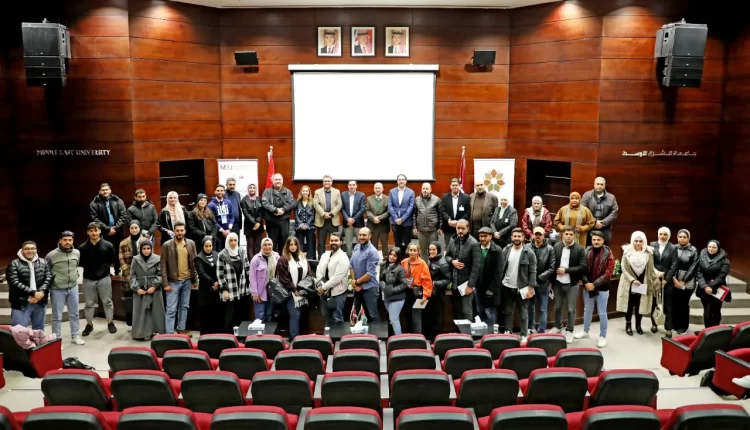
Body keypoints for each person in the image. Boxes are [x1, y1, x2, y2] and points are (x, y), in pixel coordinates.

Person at [616, 231, 663, 336]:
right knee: (629, 304)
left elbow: (651, 267)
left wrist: (658, 273)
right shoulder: (627, 251)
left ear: (644, 241)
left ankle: (638, 325)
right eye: (636, 241)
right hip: (629, 282)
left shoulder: (648, 253)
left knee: (639, 304)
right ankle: (628, 325)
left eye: (640, 241)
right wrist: (632, 280)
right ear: (632, 241)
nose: (638, 243)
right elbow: (623, 267)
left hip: (642, 282)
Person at [574, 230, 615, 348]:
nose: (596, 242)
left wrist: (594, 284)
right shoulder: (586, 251)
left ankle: (602, 336)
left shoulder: (608, 254)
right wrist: (587, 282)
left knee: (602, 313)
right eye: (594, 240)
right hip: (588, 286)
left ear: (603, 241)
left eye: (598, 240)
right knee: (587, 310)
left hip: (602, 288)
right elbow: (583, 269)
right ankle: (585, 331)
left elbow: (608, 273)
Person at [45, 231, 85, 344]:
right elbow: (46, 271)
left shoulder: (77, 253)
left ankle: (75, 336)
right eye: (65, 240)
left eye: (70, 240)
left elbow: (76, 266)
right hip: (57, 289)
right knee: (57, 316)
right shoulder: (51, 255)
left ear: (73, 241)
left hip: (73, 287)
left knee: (74, 314)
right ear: (60, 241)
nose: (67, 242)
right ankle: (56, 340)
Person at [499, 228, 537, 343]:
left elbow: (533, 271)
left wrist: (531, 288)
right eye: (514, 236)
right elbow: (501, 267)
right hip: (507, 285)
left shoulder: (529, 252)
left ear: (523, 238)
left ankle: (524, 334)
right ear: (511, 237)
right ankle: (508, 331)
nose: (516, 238)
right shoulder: (506, 250)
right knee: (507, 311)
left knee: (523, 313)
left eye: (519, 236)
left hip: (522, 287)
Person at [79, 222, 117, 336]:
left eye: (96, 230)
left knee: (107, 302)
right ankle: (89, 324)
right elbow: (81, 262)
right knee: (89, 304)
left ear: (100, 231)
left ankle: (110, 322)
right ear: (87, 232)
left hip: (104, 277)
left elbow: (112, 259)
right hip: (88, 278)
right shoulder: (82, 247)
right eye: (91, 231)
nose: (94, 233)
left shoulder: (108, 245)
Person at [160, 221, 197, 336]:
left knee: (184, 307)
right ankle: (169, 334)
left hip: (187, 281)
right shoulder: (167, 245)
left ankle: (181, 330)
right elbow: (163, 266)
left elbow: (194, 263)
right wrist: (165, 283)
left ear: (185, 231)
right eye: (177, 230)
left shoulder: (191, 243)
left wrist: (194, 279)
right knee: (171, 309)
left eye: (182, 230)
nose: (180, 232)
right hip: (172, 282)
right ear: (174, 231)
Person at [552, 226, 586, 343]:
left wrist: (566, 270)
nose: (568, 236)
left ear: (574, 236)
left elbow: (583, 267)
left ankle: (570, 330)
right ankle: (558, 326)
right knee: (557, 307)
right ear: (562, 234)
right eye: (566, 234)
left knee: (571, 309)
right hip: (558, 283)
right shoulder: (556, 246)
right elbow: (552, 264)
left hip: (572, 284)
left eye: (571, 234)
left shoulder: (580, 249)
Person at [8, 241, 51, 330]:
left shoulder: (44, 262)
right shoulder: (14, 264)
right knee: (19, 331)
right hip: (21, 303)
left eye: (32, 248)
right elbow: (14, 283)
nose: (30, 251)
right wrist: (33, 293)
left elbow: (48, 278)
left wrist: (40, 293)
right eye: (27, 249)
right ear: (22, 250)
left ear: (36, 250)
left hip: (39, 302)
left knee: (39, 331)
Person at [445, 219, 481, 320]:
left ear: (468, 228)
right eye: (458, 228)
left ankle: (468, 330)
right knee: (457, 310)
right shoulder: (452, 239)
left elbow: (476, 267)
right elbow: (447, 256)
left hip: (466, 283)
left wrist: (470, 285)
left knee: (467, 311)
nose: (460, 231)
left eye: (463, 228)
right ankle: (459, 330)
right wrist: (452, 261)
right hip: (454, 282)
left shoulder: (474, 243)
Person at [129, 239, 166, 340]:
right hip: (140, 289)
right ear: (140, 249)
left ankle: (158, 332)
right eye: (144, 249)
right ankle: (141, 334)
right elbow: (132, 275)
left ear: (151, 249)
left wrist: (154, 286)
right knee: (141, 312)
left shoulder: (157, 259)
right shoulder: (135, 260)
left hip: (154, 289)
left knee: (156, 311)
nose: (146, 251)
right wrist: (136, 288)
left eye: (148, 248)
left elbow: (160, 274)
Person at [89, 183, 128, 276]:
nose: (105, 191)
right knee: (104, 253)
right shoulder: (94, 203)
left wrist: (115, 228)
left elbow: (124, 216)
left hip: (118, 231)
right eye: (103, 190)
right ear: (99, 192)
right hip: (104, 233)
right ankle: (106, 273)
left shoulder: (118, 201)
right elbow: (95, 219)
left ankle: (118, 272)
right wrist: (108, 229)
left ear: (110, 191)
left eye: (107, 190)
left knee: (118, 252)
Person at [276, 236, 311, 341]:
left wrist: (302, 288)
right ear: (287, 246)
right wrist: (294, 289)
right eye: (290, 244)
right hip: (290, 292)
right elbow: (283, 278)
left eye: (295, 244)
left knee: (302, 315)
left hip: (302, 291)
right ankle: (294, 339)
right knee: (295, 315)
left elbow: (309, 273)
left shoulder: (302, 257)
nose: (293, 247)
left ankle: (300, 339)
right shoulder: (283, 259)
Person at [217, 233, 252, 334]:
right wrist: (224, 289)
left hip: (242, 290)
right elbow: (220, 274)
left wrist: (250, 285)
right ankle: (229, 337)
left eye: (235, 240)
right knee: (230, 316)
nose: (233, 243)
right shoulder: (222, 254)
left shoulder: (241, 251)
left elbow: (248, 268)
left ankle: (241, 336)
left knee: (241, 315)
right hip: (230, 291)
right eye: (231, 240)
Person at [696, 240, 732, 328]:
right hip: (704, 289)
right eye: (710, 247)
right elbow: (699, 272)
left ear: (718, 248)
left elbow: (721, 276)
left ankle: (715, 330)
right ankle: (707, 331)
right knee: (707, 312)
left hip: (717, 289)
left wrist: (710, 287)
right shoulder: (702, 257)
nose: (711, 249)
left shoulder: (725, 260)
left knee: (716, 311)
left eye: (714, 247)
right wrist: (705, 286)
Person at [650, 227, 678, 337]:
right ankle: (654, 324)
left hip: (667, 280)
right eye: (660, 234)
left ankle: (668, 328)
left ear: (668, 235)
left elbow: (674, 265)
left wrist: (666, 279)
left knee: (668, 305)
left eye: (665, 234)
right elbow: (650, 262)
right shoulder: (652, 245)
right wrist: (656, 274)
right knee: (654, 303)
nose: (662, 236)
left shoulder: (673, 247)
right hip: (654, 278)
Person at [316, 233, 349, 325]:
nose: (333, 242)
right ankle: (328, 335)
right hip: (324, 293)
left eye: (336, 240)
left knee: (337, 319)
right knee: (326, 317)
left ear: (341, 242)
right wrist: (320, 285)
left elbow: (337, 278)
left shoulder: (343, 257)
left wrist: (323, 288)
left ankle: (338, 335)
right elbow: (319, 271)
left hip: (337, 294)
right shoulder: (324, 255)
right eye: (331, 240)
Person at [527, 226, 555, 334]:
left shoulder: (550, 249)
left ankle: (542, 330)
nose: (538, 236)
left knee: (543, 309)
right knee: (530, 307)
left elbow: (551, 268)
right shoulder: (527, 247)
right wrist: (531, 279)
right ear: (533, 235)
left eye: (540, 234)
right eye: (536, 234)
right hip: (530, 283)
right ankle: (531, 328)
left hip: (543, 283)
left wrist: (538, 278)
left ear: (544, 236)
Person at [350, 227, 381, 323]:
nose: (361, 237)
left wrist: (356, 282)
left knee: (373, 316)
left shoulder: (372, 252)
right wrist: (354, 282)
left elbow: (370, 274)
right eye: (360, 235)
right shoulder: (356, 247)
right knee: (356, 315)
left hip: (369, 289)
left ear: (370, 236)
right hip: (357, 288)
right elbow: (351, 266)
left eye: (364, 235)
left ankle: (376, 333)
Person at [475, 227, 504, 328]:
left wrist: (491, 289)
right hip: (479, 288)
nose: (482, 238)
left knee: (490, 313)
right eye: (480, 236)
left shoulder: (497, 250)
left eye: (485, 236)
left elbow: (499, 272)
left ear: (491, 237)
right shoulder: (476, 248)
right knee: (480, 312)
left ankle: (492, 334)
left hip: (491, 289)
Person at [401, 243, 433, 334]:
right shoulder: (404, 262)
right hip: (406, 292)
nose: (412, 252)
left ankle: (418, 338)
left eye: (415, 250)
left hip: (417, 293)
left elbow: (427, 281)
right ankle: (408, 336)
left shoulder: (422, 263)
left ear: (418, 251)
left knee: (416, 318)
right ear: (408, 251)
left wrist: (425, 296)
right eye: (411, 250)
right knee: (407, 315)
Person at [672, 229, 698, 334]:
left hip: (688, 280)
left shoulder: (693, 250)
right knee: (675, 302)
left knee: (683, 303)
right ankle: (674, 324)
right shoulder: (673, 248)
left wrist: (683, 280)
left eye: (684, 237)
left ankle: (683, 326)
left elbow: (693, 267)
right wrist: (674, 279)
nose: (682, 239)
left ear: (688, 238)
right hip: (674, 278)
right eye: (680, 237)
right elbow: (670, 264)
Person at [195, 237, 223, 335]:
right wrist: (213, 282)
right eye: (206, 246)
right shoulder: (198, 258)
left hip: (216, 289)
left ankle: (216, 335)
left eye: (210, 246)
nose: (208, 248)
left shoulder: (217, 255)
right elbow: (202, 273)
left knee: (215, 313)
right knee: (205, 314)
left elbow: (221, 269)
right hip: (205, 289)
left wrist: (218, 282)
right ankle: (205, 336)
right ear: (203, 246)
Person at [262, 173, 296, 253]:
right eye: (276, 179)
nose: (278, 181)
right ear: (272, 181)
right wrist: (275, 210)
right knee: (272, 243)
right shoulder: (267, 192)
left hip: (284, 221)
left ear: (282, 181)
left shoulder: (288, 192)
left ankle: (282, 259)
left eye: (279, 179)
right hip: (272, 221)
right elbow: (265, 203)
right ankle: (272, 259)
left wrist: (283, 210)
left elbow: (291, 203)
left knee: (284, 243)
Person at [580, 177, 619, 244]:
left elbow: (614, 212)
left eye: (601, 184)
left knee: (604, 248)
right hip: (589, 227)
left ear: (604, 185)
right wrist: (594, 222)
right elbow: (582, 210)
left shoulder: (611, 197)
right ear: (594, 185)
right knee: (587, 248)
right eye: (597, 184)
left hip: (605, 228)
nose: (599, 186)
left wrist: (603, 223)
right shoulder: (587, 195)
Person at [119, 219, 143, 326]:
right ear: (129, 229)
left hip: (142, 275)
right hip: (128, 275)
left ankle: (142, 323)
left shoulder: (145, 241)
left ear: (139, 228)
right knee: (130, 301)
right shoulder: (123, 243)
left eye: (136, 228)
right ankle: (132, 323)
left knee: (142, 301)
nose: (134, 230)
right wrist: (130, 276)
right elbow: (121, 260)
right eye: (132, 228)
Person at [249, 238, 279, 322]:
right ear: (261, 246)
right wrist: (255, 293)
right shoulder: (256, 259)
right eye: (265, 245)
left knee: (269, 314)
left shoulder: (276, 257)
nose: (267, 247)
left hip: (272, 292)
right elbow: (252, 278)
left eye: (269, 244)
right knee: (260, 316)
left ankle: (268, 331)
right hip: (260, 293)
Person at [380, 247, 408, 335]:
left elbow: (404, 284)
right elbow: (381, 279)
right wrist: (381, 284)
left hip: (397, 298)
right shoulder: (383, 266)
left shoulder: (400, 269)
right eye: (391, 254)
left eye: (394, 255)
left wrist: (392, 290)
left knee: (394, 320)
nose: (391, 257)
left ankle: (399, 340)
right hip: (386, 297)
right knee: (394, 319)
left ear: (398, 257)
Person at [313, 175, 343, 257]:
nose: (327, 182)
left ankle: (335, 258)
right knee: (321, 243)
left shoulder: (337, 191)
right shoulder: (317, 192)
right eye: (325, 181)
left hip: (333, 220)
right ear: (323, 182)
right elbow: (316, 204)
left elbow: (339, 204)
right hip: (321, 220)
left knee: (335, 242)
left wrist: (331, 213)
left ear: (331, 182)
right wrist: (323, 214)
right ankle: (321, 259)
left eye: (328, 181)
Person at [413, 183, 444, 261]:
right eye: (423, 188)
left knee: (433, 250)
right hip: (421, 230)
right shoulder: (417, 200)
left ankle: (434, 265)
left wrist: (440, 227)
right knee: (423, 250)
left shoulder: (436, 199)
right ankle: (425, 265)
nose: (425, 190)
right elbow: (414, 214)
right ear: (421, 189)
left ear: (430, 190)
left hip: (433, 230)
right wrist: (415, 227)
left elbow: (440, 215)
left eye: (427, 189)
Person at [427, 241, 451, 339]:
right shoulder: (430, 259)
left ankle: (437, 337)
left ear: (438, 250)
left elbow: (448, 279)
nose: (431, 251)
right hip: (430, 292)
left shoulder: (443, 263)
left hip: (439, 293)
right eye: (430, 249)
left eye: (434, 249)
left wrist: (435, 283)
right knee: (430, 313)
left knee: (438, 314)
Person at [388, 174, 416, 252]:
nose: (401, 181)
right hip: (395, 222)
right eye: (399, 180)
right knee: (397, 243)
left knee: (407, 243)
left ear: (406, 181)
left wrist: (402, 219)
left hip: (407, 222)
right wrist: (396, 218)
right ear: (397, 181)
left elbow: (411, 207)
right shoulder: (392, 191)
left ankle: (406, 258)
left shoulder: (411, 192)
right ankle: (398, 258)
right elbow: (390, 206)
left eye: (403, 180)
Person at [441, 178, 471, 245]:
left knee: (462, 247)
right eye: (453, 185)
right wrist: (449, 220)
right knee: (449, 247)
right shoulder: (445, 197)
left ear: (459, 186)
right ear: (450, 186)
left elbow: (468, 212)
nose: (454, 187)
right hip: (448, 227)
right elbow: (442, 211)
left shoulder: (466, 198)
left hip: (462, 228)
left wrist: (459, 222)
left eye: (456, 185)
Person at [342, 180, 366, 257]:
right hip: (347, 223)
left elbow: (362, 209)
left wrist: (353, 219)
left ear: (356, 186)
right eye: (350, 185)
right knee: (348, 242)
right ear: (348, 186)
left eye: (353, 185)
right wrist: (347, 219)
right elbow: (342, 208)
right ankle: (349, 257)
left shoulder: (361, 195)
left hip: (358, 222)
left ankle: (359, 257)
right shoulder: (343, 195)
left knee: (360, 241)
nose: (351, 186)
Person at [208, 184, 234, 252]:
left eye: (222, 190)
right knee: (219, 251)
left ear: (224, 192)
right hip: (218, 233)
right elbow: (213, 220)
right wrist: (222, 231)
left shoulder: (228, 202)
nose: (220, 192)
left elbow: (232, 216)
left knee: (229, 251)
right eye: (218, 190)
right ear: (215, 192)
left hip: (228, 232)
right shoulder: (211, 205)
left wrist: (229, 229)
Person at [240, 184, 264, 256]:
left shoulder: (259, 199)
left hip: (259, 225)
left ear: (256, 189)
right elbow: (246, 213)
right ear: (248, 189)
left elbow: (262, 212)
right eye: (250, 188)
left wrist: (258, 222)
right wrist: (254, 223)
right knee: (250, 246)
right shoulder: (244, 200)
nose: (252, 189)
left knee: (258, 245)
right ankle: (251, 262)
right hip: (249, 225)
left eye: (254, 188)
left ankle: (258, 261)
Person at [365, 183, 390, 253]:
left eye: (379, 188)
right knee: (373, 245)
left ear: (382, 189)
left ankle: (386, 258)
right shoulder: (369, 198)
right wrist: (373, 218)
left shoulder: (388, 198)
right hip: (372, 226)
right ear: (374, 189)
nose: (377, 190)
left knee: (385, 245)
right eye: (376, 188)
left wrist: (380, 218)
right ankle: (374, 258)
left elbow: (389, 211)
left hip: (383, 226)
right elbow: (367, 210)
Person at [295, 185, 316, 259]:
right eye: (303, 191)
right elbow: (296, 214)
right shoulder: (297, 202)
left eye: (306, 191)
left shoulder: (312, 202)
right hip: (299, 227)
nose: (305, 192)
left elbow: (313, 214)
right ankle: (299, 259)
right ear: (301, 192)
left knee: (310, 244)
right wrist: (301, 224)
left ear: (309, 192)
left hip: (310, 226)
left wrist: (307, 225)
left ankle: (310, 259)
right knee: (299, 244)